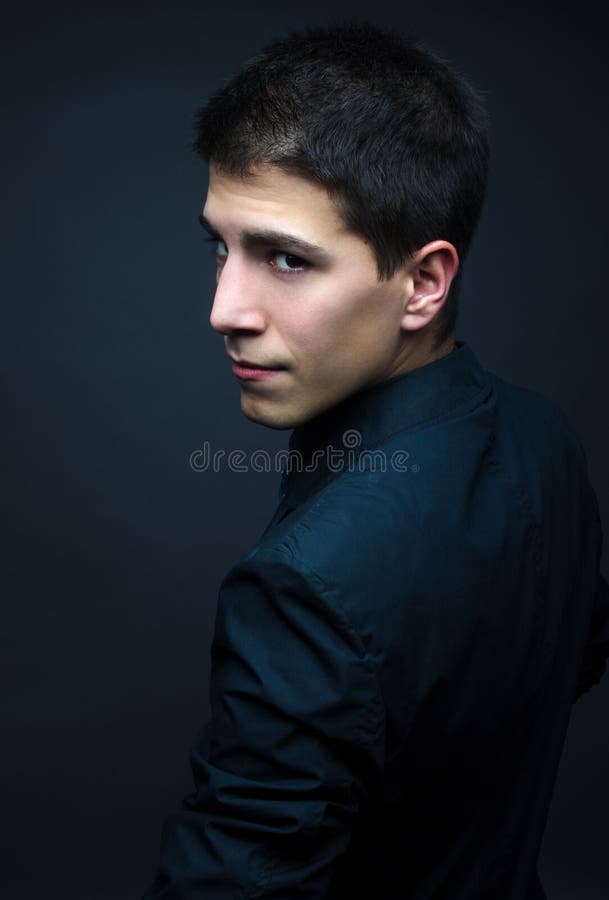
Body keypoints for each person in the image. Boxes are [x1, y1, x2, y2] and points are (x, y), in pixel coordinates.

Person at [143, 21, 609, 899]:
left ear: (424, 284)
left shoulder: (302, 583)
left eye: (285, 258)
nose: (224, 308)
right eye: (221, 245)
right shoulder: (548, 441)